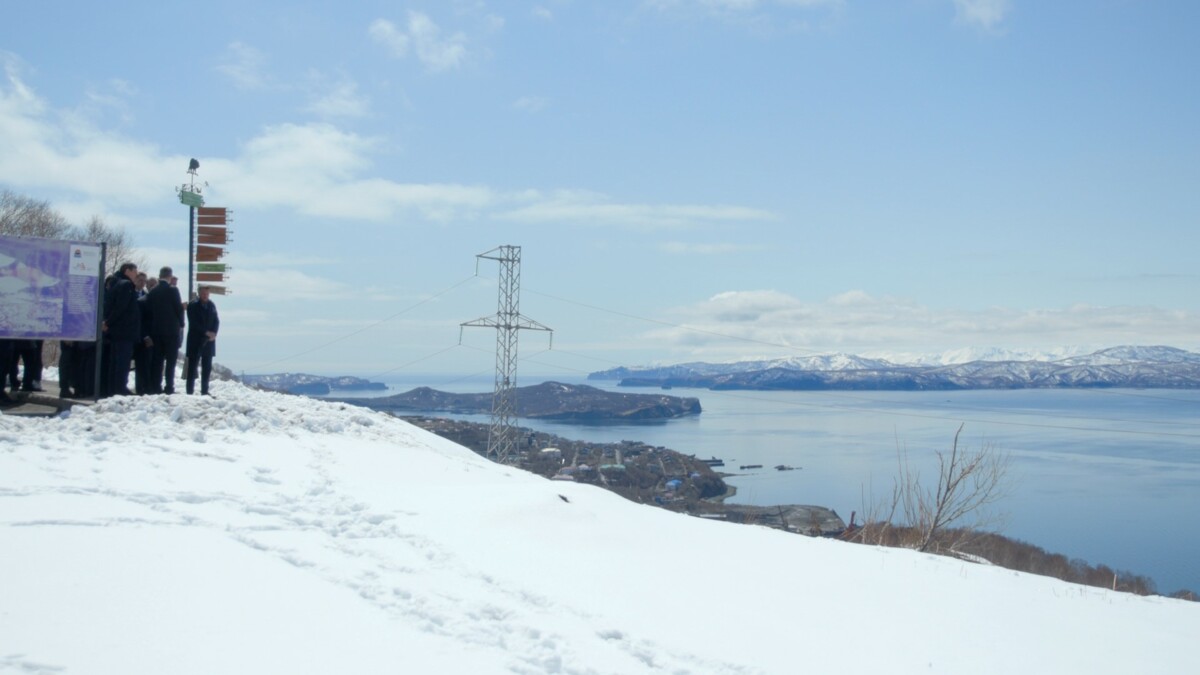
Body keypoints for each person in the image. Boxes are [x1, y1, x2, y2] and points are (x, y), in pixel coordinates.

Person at [102, 263, 141, 396]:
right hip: (124, 330)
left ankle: (113, 388)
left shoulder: (115, 283)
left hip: (115, 331)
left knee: (115, 361)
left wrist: (107, 322)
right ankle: (120, 388)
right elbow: (121, 307)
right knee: (122, 362)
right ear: (127, 271)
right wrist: (108, 322)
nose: (136, 274)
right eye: (135, 271)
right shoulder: (126, 285)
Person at [146, 266, 185, 394]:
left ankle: (156, 386)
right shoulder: (173, 290)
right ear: (170, 276)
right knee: (171, 361)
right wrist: (181, 323)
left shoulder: (153, 291)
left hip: (156, 331)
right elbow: (178, 308)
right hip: (171, 331)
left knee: (158, 360)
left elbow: (149, 312)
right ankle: (169, 386)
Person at [185, 285, 219, 396]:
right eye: (203, 294)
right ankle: (189, 391)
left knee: (207, 367)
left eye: (207, 294)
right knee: (192, 367)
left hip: (209, 342)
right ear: (199, 293)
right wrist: (205, 332)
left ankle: (204, 390)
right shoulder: (193, 305)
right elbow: (194, 323)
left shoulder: (211, 305)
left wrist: (214, 333)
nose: (205, 296)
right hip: (196, 340)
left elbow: (216, 321)